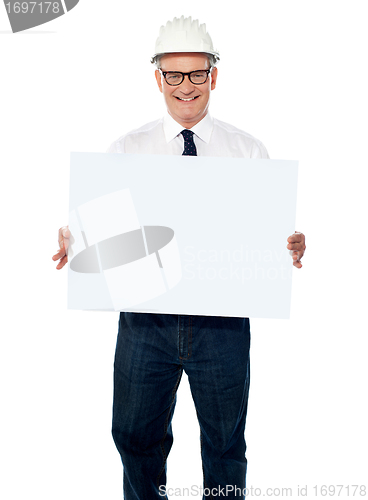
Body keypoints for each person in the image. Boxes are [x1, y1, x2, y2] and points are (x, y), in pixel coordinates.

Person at [52, 16, 306, 499]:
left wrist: (290, 243)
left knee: (225, 443)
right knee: (134, 436)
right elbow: (100, 228)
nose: (185, 87)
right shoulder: (126, 149)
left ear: (214, 75)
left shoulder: (247, 151)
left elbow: (270, 234)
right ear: (157, 78)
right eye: (174, 74)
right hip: (146, 323)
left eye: (196, 74)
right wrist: (75, 235)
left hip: (222, 325)